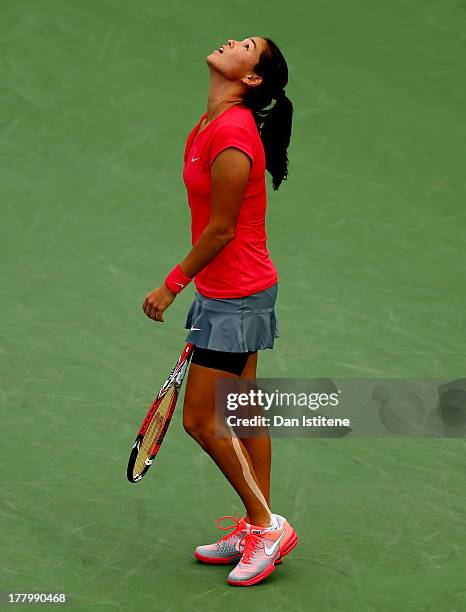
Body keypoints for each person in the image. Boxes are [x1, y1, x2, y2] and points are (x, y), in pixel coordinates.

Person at [142, 35, 297, 587]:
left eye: (246, 46)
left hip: (235, 296)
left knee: (202, 421)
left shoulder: (231, 133)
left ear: (251, 78)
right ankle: (260, 525)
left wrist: (171, 285)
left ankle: (264, 523)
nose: (233, 41)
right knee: (243, 412)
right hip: (231, 290)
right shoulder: (210, 123)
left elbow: (223, 228)